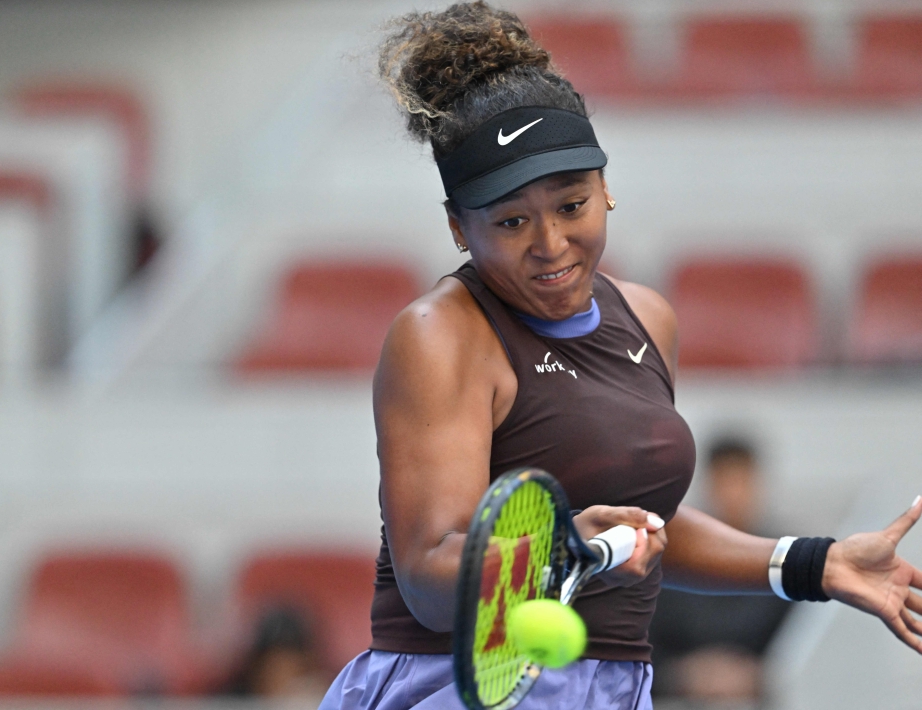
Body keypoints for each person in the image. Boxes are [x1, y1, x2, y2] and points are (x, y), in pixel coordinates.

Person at [320, 3, 922, 709]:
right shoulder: (438, 334)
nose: (549, 243)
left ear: (606, 188)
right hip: (459, 686)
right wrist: (557, 550)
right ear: (458, 227)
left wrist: (813, 564)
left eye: (572, 205)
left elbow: (648, 526)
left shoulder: (647, 317)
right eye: (511, 221)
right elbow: (428, 579)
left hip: (610, 685)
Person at [649, 438, 790, 701]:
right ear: (710, 483)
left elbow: (800, 642)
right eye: (725, 481)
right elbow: (648, 642)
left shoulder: (788, 560)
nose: (734, 494)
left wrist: (760, 674)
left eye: (741, 481)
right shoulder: (673, 557)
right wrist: (683, 674)